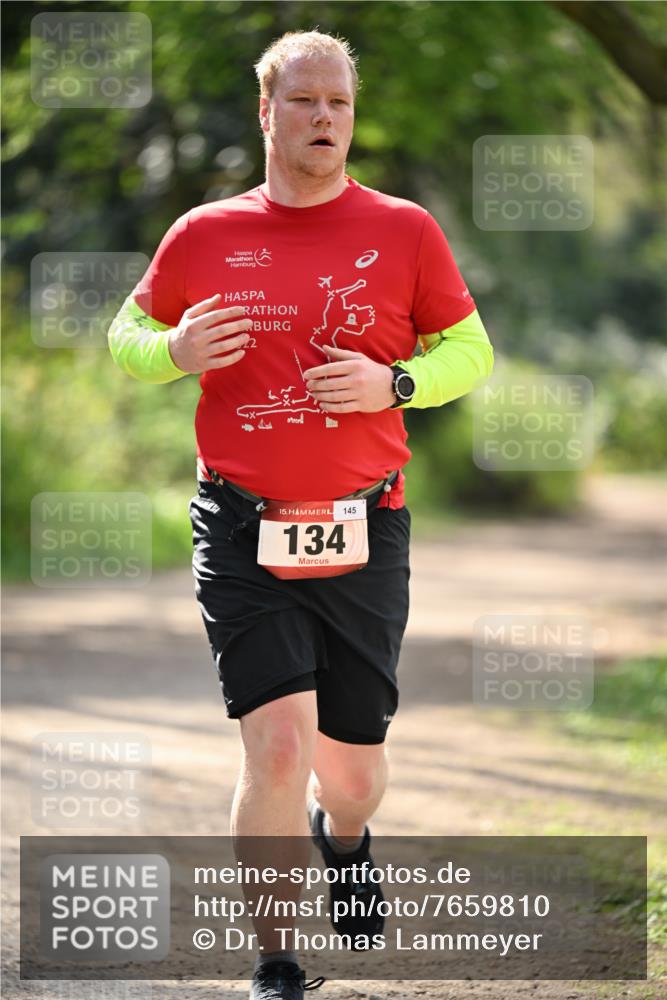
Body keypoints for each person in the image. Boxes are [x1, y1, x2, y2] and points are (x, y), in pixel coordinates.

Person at [108, 29, 493, 999]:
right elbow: (128, 333)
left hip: (367, 525)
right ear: (267, 113)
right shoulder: (204, 233)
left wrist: (394, 382)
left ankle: (347, 836)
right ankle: (275, 957)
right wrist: (175, 352)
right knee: (276, 743)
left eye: (340, 104)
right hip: (239, 525)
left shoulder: (404, 230)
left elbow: (471, 352)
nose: (325, 119)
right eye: (305, 101)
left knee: (351, 770)